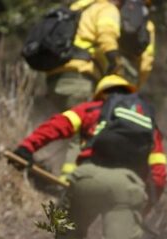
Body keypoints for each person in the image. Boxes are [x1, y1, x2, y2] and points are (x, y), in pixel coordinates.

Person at [12, 75, 167, 239]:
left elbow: (56, 126)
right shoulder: (147, 123)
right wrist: (142, 207)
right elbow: (158, 174)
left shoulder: (94, 109)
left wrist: (27, 148)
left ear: (101, 93)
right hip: (128, 188)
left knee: (66, 228)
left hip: (88, 180)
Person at [46, 0, 125, 178]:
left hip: (55, 77)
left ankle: (47, 162)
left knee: (66, 126)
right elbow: (107, 35)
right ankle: (69, 178)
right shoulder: (106, 8)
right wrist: (115, 63)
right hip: (80, 78)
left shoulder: (78, 7)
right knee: (83, 131)